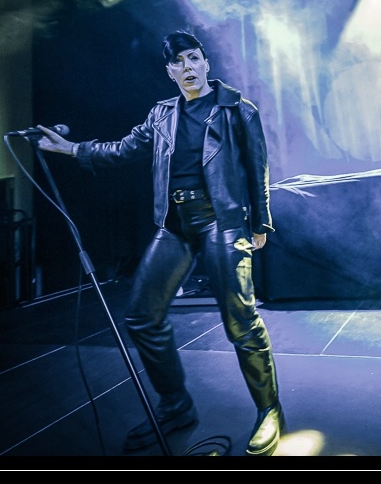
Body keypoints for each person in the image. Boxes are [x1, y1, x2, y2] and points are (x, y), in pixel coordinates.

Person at [36, 30, 284, 456]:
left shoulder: (237, 109)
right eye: (178, 62)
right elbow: (122, 149)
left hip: (222, 220)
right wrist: (73, 150)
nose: (187, 68)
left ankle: (269, 410)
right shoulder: (161, 114)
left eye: (193, 58)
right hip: (174, 224)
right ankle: (175, 406)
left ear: (205, 62)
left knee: (240, 321)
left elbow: (258, 166)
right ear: (170, 72)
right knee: (141, 317)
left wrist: (260, 223)